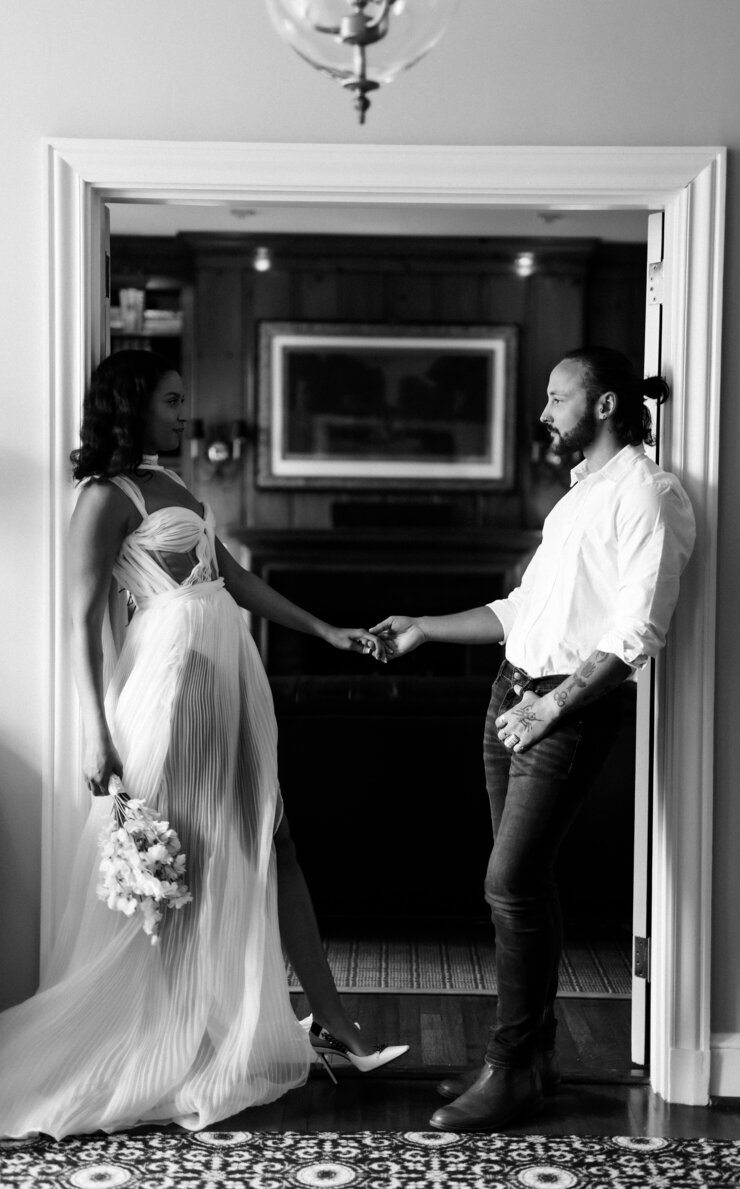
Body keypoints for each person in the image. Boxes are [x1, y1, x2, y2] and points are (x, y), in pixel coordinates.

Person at [0, 349, 407, 1140]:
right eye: (173, 400)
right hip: (168, 687)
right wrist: (97, 731)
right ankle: (181, 1041)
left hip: (229, 681)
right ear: (132, 405)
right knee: (186, 868)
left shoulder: (176, 487)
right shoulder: (104, 497)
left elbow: (233, 577)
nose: (187, 413)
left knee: (274, 843)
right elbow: (81, 618)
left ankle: (332, 1022)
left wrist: (325, 630)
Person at [371, 346, 696, 1132]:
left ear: (607, 404)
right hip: (507, 696)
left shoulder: (650, 496)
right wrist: (424, 628)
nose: (545, 412)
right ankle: (536, 1058)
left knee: (508, 881)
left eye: (558, 397)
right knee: (523, 884)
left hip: (561, 710)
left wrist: (551, 711)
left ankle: (511, 1069)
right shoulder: (577, 498)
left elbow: (636, 634)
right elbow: (521, 611)